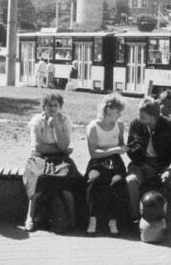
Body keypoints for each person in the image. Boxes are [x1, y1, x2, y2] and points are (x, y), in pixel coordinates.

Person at [22, 93, 82, 232]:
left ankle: (72, 218)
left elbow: (64, 145)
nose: (53, 108)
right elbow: (37, 147)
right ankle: (29, 217)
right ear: (44, 106)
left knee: (67, 176)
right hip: (39, 157)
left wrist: (55, 126)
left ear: (60, 106)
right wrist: (60, 149)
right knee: (37, 177)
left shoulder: (65, 120)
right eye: (49, 105)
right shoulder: (36, 121)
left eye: (56, 105)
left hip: (60, 159)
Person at [126, 97, 171, 225]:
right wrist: (143, 165)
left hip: (162, 164)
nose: (139, 118)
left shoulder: (169, 126)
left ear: (153, 117)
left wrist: (170, 168)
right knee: (131, 181)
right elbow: (130, 150)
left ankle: (167, 215)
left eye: (143, 116)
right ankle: (135, 217)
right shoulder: (135, 125)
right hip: (140, 163)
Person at [84, 94, 128, 236]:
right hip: (98, 161)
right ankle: (92, 219)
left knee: (118, 182)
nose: (120, 114)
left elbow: (121, 144)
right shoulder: (93, 127)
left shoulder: (120, 125)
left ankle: (113, 220)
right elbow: (94, 153)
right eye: (117, 111)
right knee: (94, 180)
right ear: (108, 110)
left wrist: (125, 148)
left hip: (115, 162)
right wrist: (114, 149)